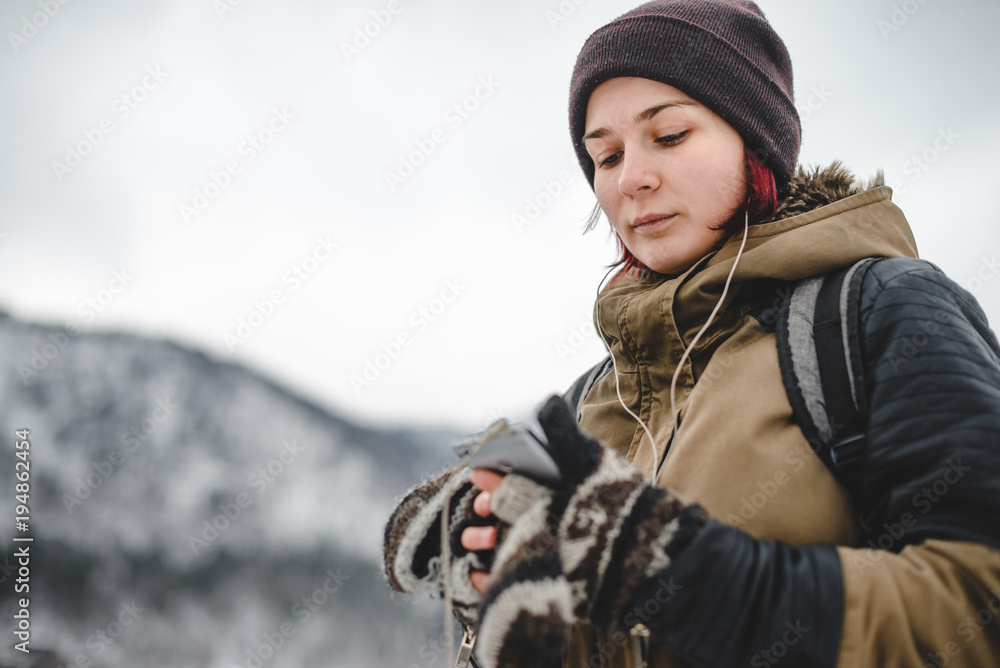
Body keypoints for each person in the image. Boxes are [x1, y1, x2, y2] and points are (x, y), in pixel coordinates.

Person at [382, 1, 1000, 666]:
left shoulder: (878, 311)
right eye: (606, 155)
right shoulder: (597, 394)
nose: (631, 178)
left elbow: (976, 604)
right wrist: (507, 581)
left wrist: (674, 567)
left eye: (670, 136)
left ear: (754, 138)